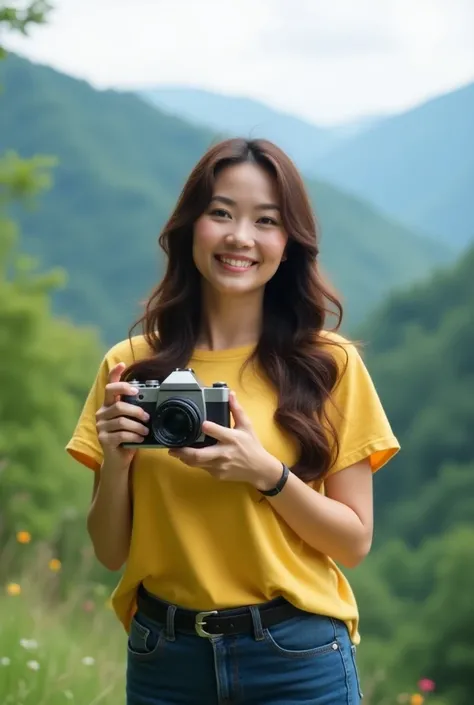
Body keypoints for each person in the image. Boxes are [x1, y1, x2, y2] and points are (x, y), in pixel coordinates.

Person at [66, 137, 400, 705]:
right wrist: (117, 463)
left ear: (289, 243)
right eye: (220, 212)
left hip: (296, 660)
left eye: (265, 221)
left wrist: (265, 473)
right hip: (164, 661)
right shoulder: (130, 365)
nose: (239, 237)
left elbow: (353, 541)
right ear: (190, 225)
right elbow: (109, 551)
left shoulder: (329, 365)